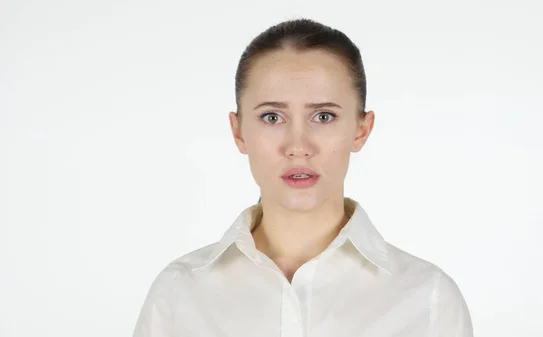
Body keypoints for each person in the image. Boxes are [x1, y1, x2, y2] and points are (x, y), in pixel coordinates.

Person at [133, 18, 473, 337]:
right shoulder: (179, 294)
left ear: (361, 130)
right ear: (238, 132)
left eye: (324, 116)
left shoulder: (428, 300)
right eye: (272, 117)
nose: (298, 146)